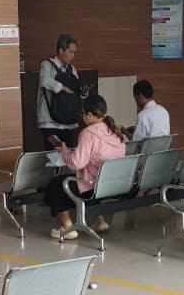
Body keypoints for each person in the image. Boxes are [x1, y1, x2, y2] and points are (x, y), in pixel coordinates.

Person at [44, 95, 125, 240]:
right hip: (112, 185)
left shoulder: (88, 133)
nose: (81, 117)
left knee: (56, 184)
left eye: (82, 114)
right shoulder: (114, 131)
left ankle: (67, 227)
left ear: (89, 115)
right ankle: (99, 220)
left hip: (93, 187)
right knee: (92, 177)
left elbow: (76, 163)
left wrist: (64, 151)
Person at [37, 33, 84, 152]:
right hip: (50, 122)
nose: (73, 56)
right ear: (61, 50)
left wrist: (82, 91)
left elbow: (76, 88)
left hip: (68, 121)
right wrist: (63, 87)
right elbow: (45, 80)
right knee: (54, 155)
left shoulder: (71, 69)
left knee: (68, 154)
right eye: (70, 52)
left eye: (74, 53)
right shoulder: (47, 65)